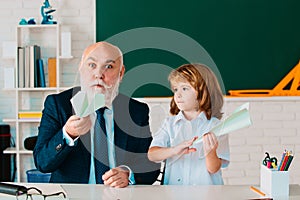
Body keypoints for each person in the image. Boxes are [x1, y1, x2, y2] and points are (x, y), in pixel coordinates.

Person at [33, 41, 160, 188]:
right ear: (81, 68)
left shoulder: (137, 111)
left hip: (119, 195)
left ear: (121, 73)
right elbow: (42, 163)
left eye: (109, 67)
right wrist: (68, 134)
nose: (99, 74)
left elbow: (151, 165)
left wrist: (128, 174)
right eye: (92, 65)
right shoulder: (58, 105)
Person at [148, 63, 230, 185]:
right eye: (176, 89)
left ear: (204, 91)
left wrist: (210, 152)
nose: (178, 95)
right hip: (174, 194)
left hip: (207, 195)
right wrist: (174, 150)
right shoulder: (169, 124)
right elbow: (152, 155)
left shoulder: (216, 126)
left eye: (185, 88)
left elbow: (214, 169)